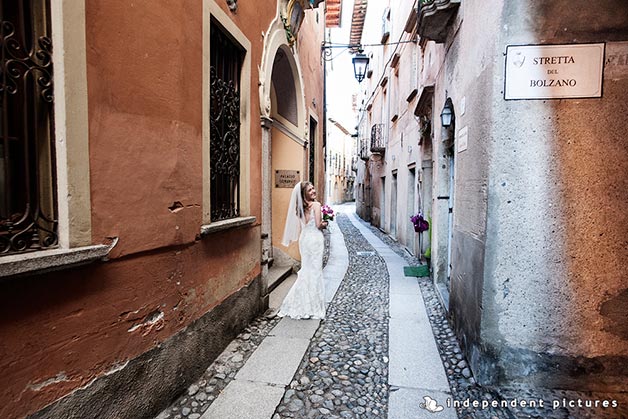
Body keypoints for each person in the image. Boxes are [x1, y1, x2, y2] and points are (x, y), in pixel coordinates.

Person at [278, 181, 328, 320]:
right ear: (305, 193)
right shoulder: (316, 205)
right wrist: (326, 222)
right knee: (315, 271)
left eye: (313, 188)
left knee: (306, 270)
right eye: (310, 189)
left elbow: (304, 224)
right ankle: (313, 306)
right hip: (315, 240)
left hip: (305, 239)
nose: (313, 190)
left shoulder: (299, 208)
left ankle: (300, 302)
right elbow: (318, 225)